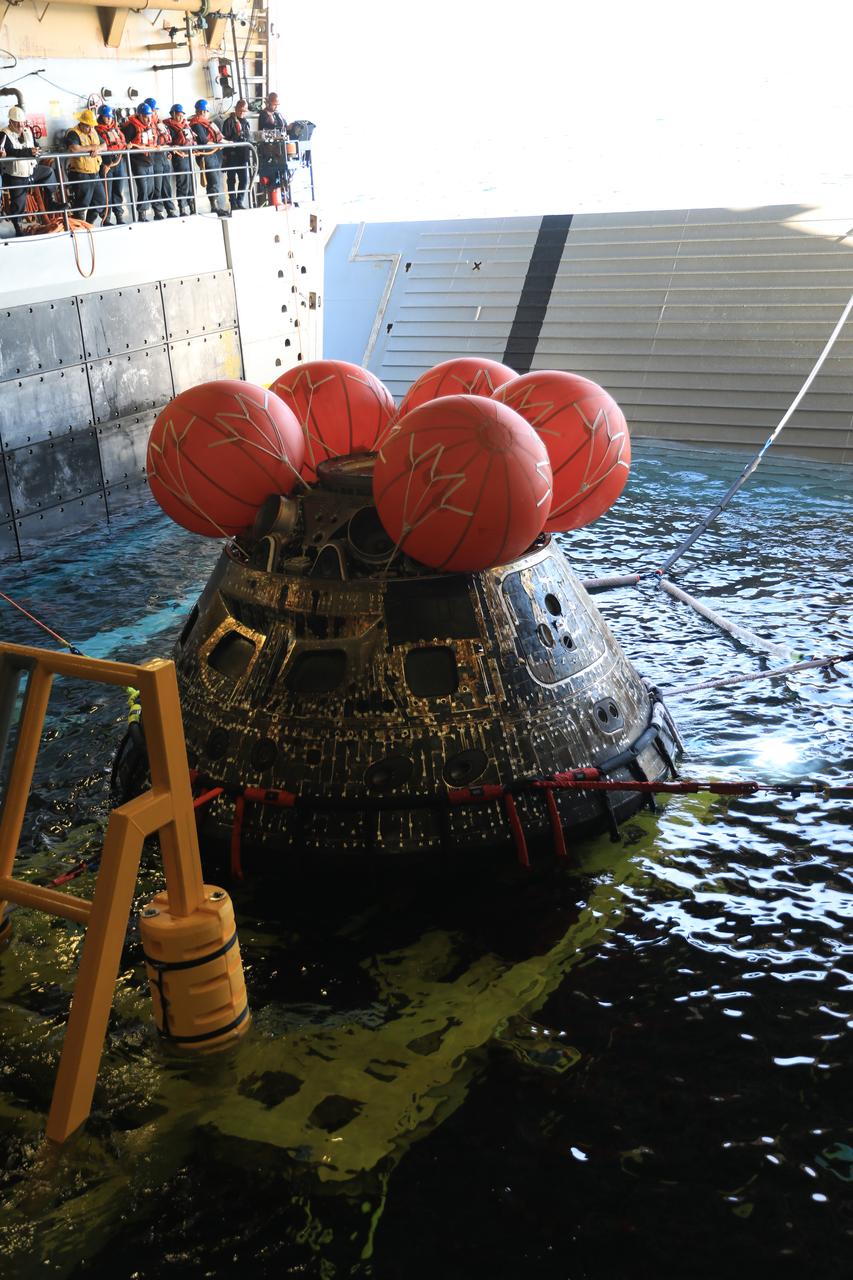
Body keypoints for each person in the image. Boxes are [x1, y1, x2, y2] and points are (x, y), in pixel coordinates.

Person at [0, 105, 40, 235]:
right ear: (10, 122)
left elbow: (36, 146)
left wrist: (37, 150)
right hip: (15, 173)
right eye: (17, 123)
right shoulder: (4, 134)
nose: (20, 126)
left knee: (49, 173)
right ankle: (17, 227)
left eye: (22, 123)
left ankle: (51, 201)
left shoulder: (28, 132)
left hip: (30, 169)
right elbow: (10, 151)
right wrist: (29, 151)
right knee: (19, 203)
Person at [188, 99, 229, 217]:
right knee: (213, 180)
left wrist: (228, 142)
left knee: (216, 178)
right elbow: (203, 141)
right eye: (206, 111)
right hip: (206, 155)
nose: (207, 114)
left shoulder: (207, 123)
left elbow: (218, 138)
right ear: (202, 111)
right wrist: (219, 144)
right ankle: (214, 206)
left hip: (214, 154)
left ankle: (216, 205)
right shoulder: (196, 124)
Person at [65, 109, 106, 224]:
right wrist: (91, 147)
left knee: (100, 201)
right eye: (88, 126)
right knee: (82, 204)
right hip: (80, 174)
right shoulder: (73, 133)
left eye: (92, 126)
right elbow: (73, 148)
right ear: (82, 124)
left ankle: (88, 224)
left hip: (95, 173)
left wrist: (97, 148)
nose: (91, 129)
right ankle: (79, 227)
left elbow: (105, 145)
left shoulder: (93, 132)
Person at [122, 101, 157, 220]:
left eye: (150, 117)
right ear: (140, 116)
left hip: (149, 161)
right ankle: (142, 215)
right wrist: (131, 146)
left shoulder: (149, 127)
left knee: (151, 188)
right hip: (138, 162)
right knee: (143, 189)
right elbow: (125, 144)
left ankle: (147, 210)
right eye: (146, 117)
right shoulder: (131, 127)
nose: (148, 120)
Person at [144, 98, 177, 219]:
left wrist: (168, 151)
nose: (155, 113)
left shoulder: (161, 124)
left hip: (164, 157)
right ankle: (158, 211)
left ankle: (170, 210)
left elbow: (167, 138)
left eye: (155, 111)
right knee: (157, 186)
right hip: (154, 157)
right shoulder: (146, 126)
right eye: (153, 111)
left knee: (166, 186)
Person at [96, 105, 128, 224]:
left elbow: (123, 143)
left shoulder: (116, 130)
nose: (108, 119)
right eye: (106, 117)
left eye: (109, 117)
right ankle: (106, 219)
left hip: (118, 164)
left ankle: (119, 216)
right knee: (106, 193)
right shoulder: (96, 131)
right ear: (101, 117)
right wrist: (106, 164)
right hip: (106, 165)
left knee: (118, 190)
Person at [256, 91, 289, 205]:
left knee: (283, 174)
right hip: (269, 150)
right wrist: (277, 133)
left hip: (279, 149)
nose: (275, 107)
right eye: (274, 104)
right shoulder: (264, 115)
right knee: (273, 176)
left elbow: (284, 125)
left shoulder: (277, 114)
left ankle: (284, 194)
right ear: (269, 103)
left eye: (276, 105)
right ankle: (275, 197)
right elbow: (264, 131)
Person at [165, 104, 196, 217]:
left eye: (182, 115)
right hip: (179, 157)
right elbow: (168, 142)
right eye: (178, 115)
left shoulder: (186, 126)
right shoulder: (169, 127)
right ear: (173, 114)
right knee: (182, 182)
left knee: (192, 182)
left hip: (189, 156)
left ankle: (193, 206)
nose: (180, 117)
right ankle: (182, 208)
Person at [221, 98, 252, 210]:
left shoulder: (246, 123)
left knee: (244, 179)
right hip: (232, 155)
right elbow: (225, 138)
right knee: (231, 179)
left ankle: (239, 201)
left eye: (244, 111)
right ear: (236, 109)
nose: (242, 112)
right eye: (240, 110)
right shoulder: (228, 122)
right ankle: (233, 202)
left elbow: (248, 137)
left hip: (243, 155)